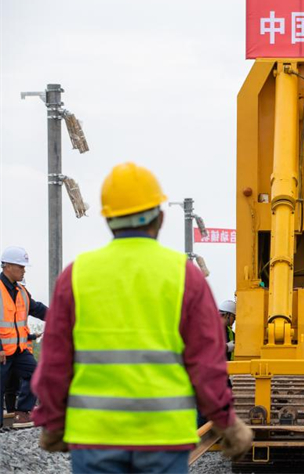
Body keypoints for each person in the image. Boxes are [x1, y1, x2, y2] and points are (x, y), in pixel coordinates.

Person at [32, 162, 253, 474]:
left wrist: (53, 422)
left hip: (95, 436)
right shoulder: (184, 276)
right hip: (163, 438)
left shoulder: (77, 275)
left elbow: (55, 362)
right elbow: (207, 364)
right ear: (160, 218)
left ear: (108, 219)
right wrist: (226, 423)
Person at [1, 246, 48, 428]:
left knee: (36, 373)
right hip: (2, 351)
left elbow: (37, 308)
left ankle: (22, 413)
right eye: (21, 267)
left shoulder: (21, 291)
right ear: (8, 267)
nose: (24, 270)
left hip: (19, 350)